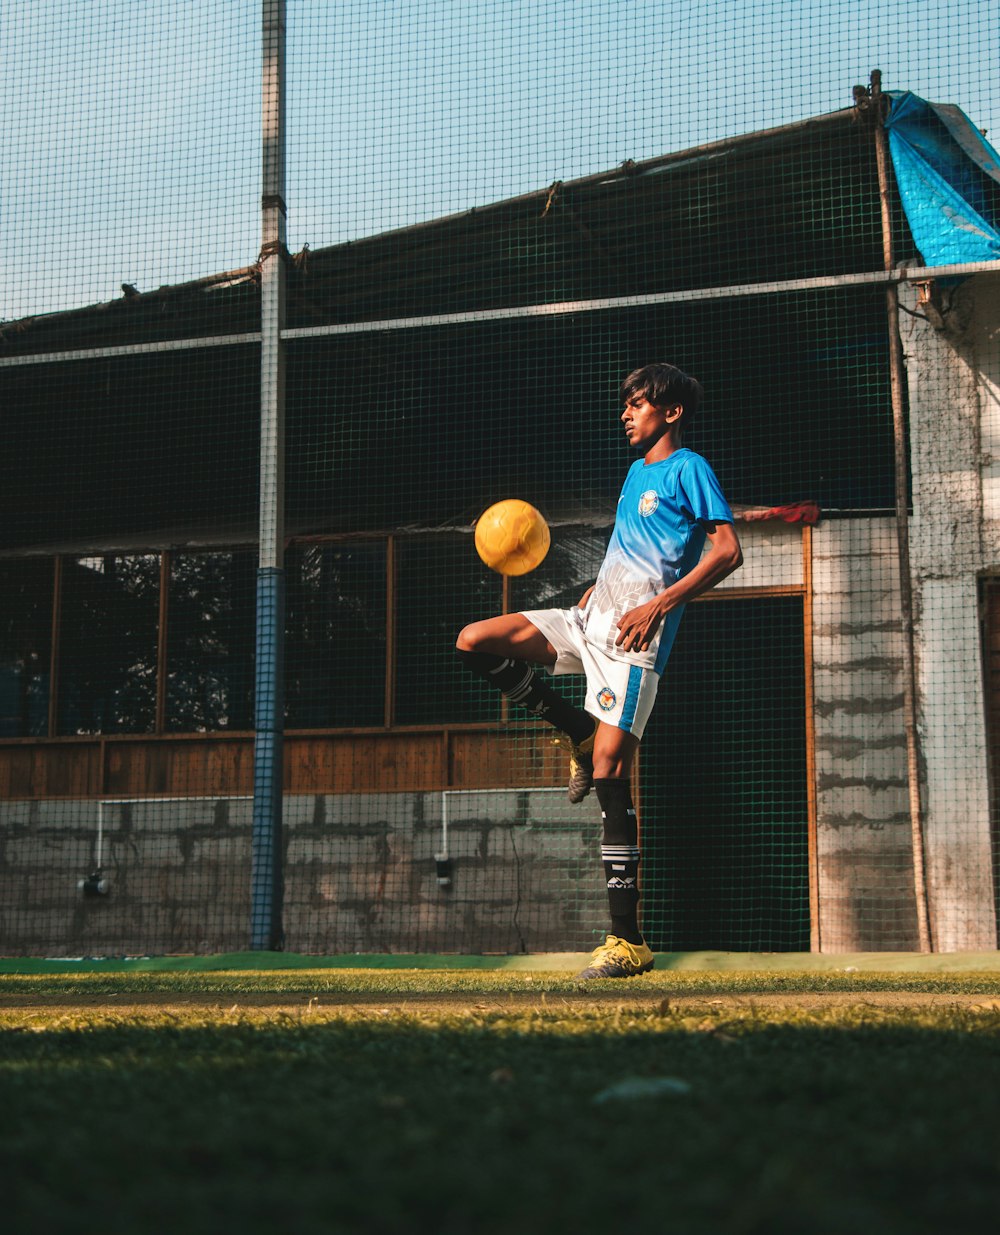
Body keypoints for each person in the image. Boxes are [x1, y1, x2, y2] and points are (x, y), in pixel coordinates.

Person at [456, 363, 742, 980]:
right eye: (627, 405)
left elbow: (726, 550)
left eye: (637, 404)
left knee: (612, 773)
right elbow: (633, 549)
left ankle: (627, 940)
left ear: (671, 413)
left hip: (634, 645)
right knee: (474, 641)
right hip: (588, 621)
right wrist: (594, 589)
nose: (626, 414)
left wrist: (660, 603)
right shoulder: (636, 473)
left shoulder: (689, 467)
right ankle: (575, 730)